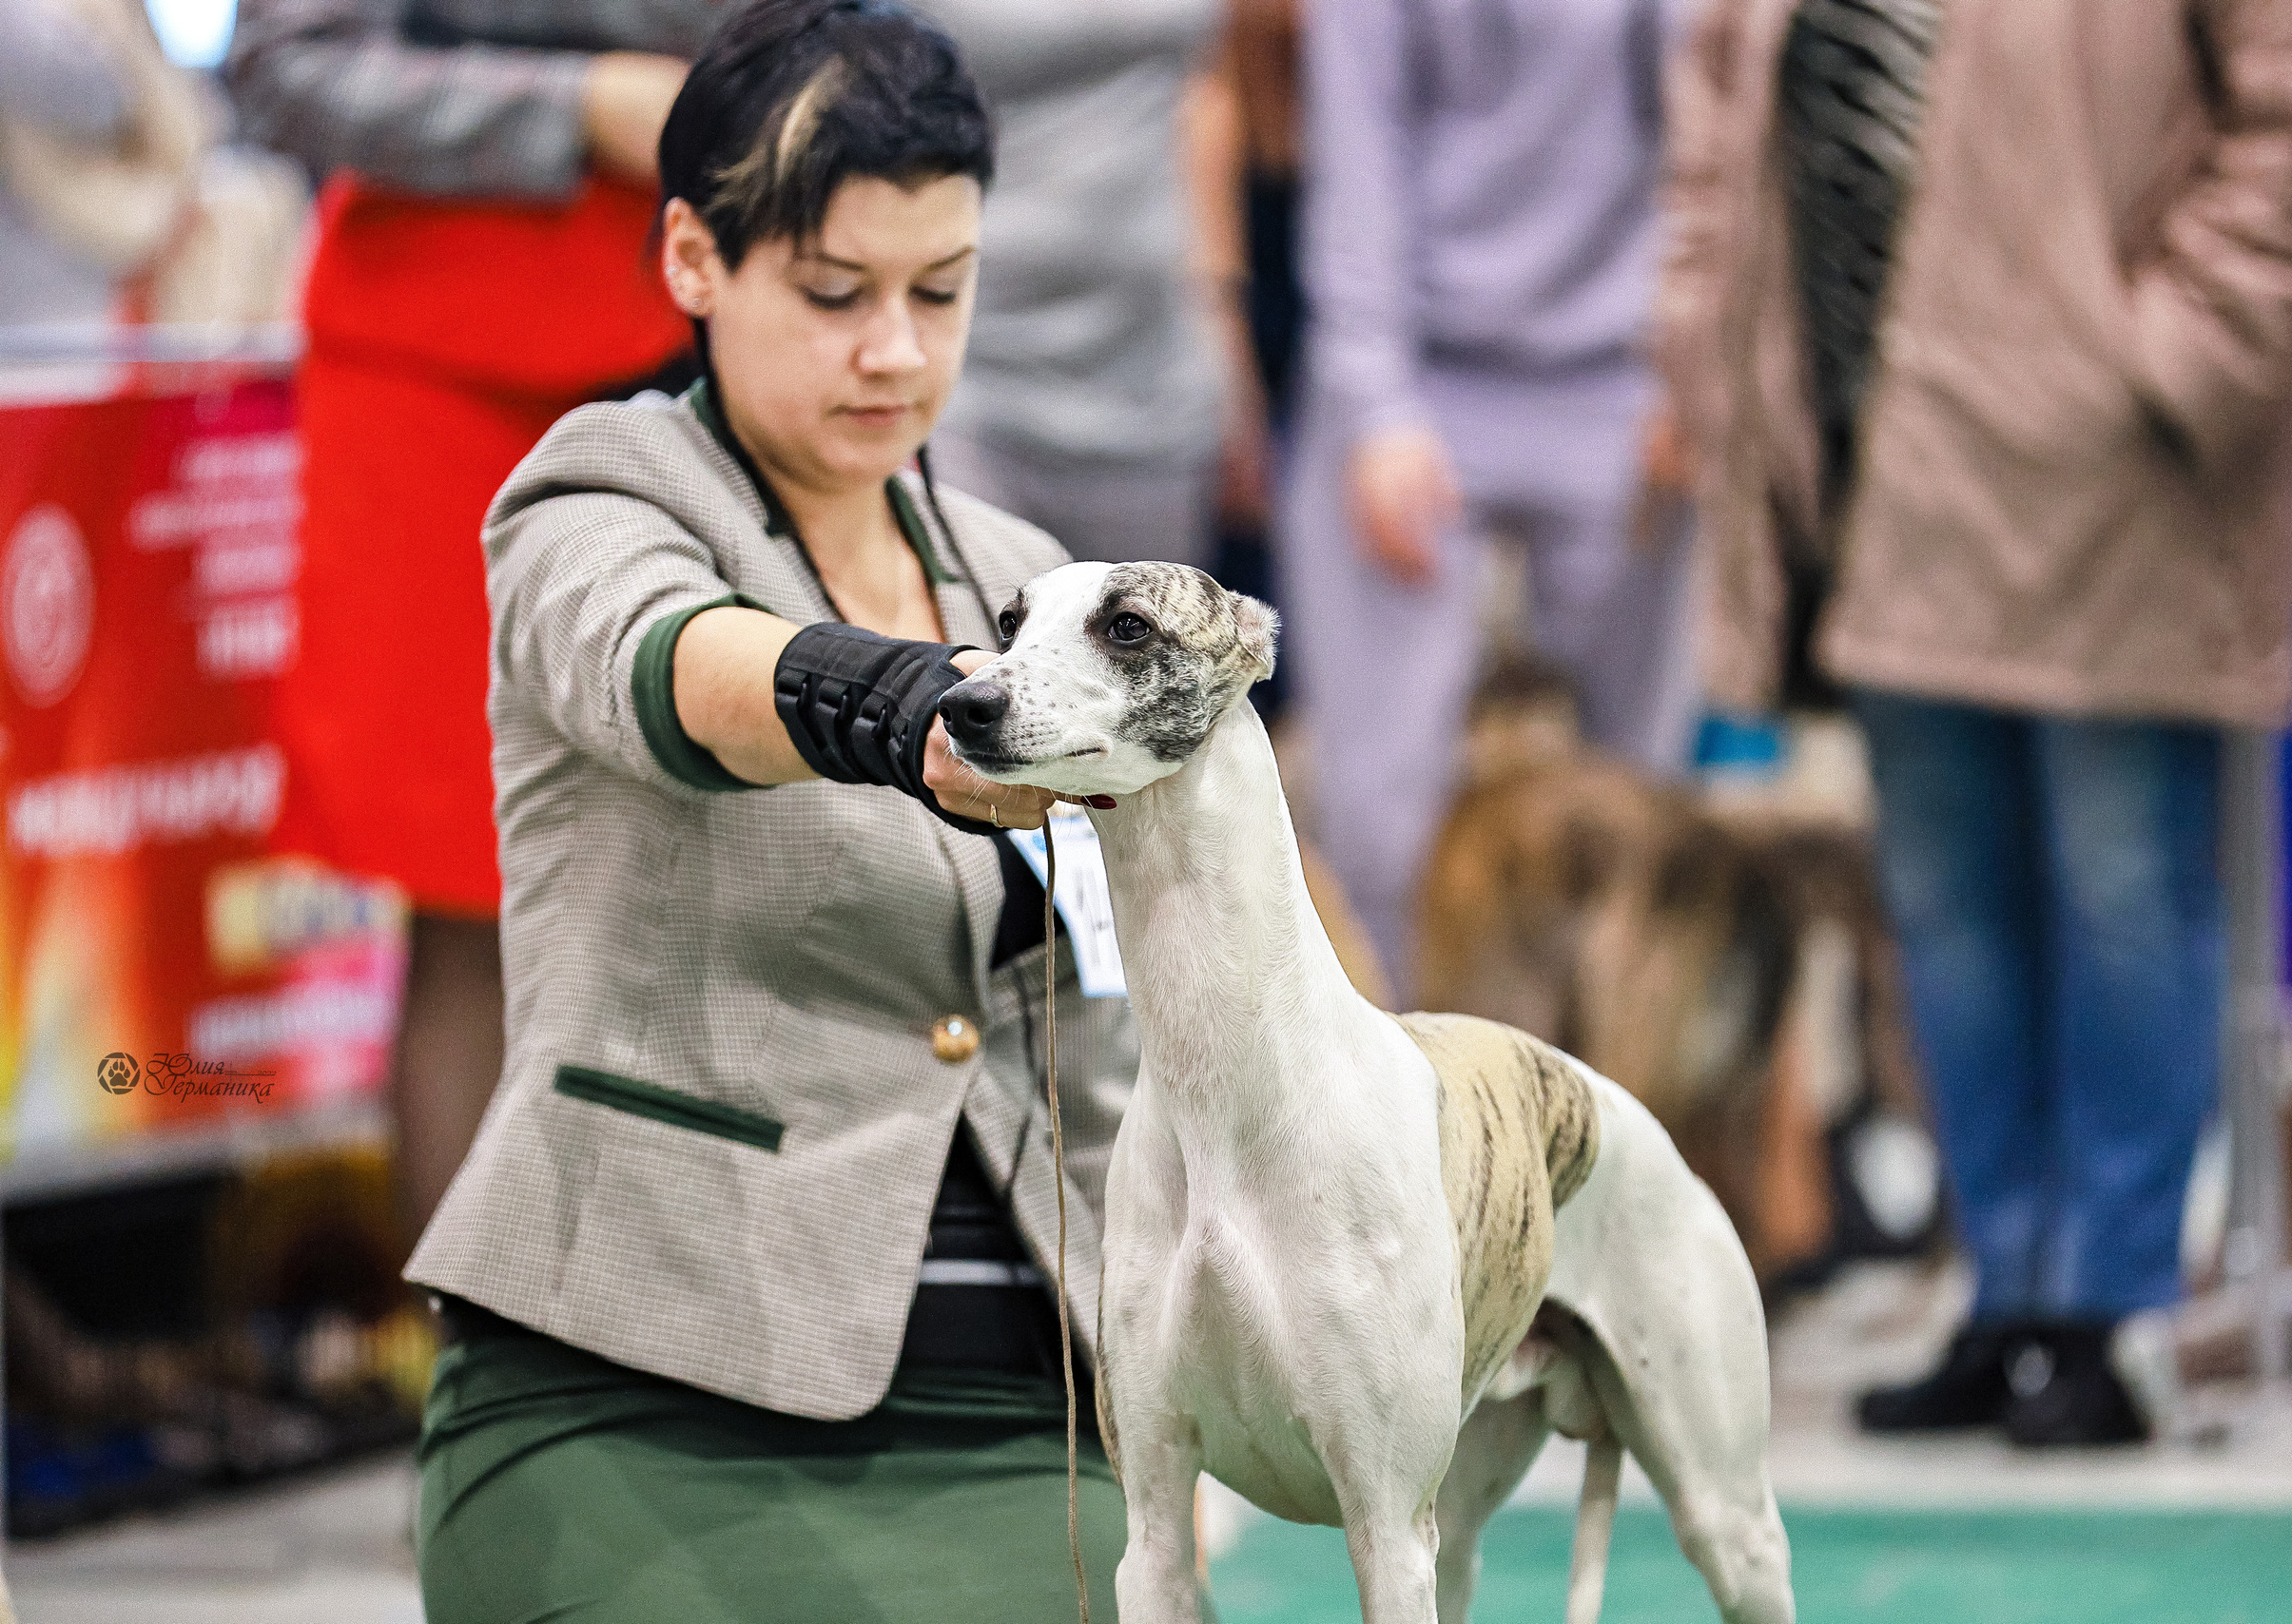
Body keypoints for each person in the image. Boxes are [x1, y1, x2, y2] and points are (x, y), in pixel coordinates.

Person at [398, 4, 1139, 1616]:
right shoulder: (597, 492)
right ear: (692, 258)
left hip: (1030, 1417)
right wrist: (896, 707)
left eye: (940, 291)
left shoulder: (1028, 580)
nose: (896, 351)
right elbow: (665, 663)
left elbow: (1112, 1042)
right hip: (622, 1392)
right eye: (833, 292)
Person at [1660, 0, 2292, 1444]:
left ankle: (2108, 1309)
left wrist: (2169, 349)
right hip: (1867, 460)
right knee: (1945, 900)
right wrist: (1702, 344)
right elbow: (1722, 101)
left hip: (2116, 468)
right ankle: (2005, 1294)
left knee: (2122, 882)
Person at [227, 0, 714, 1247]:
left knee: (732, 878)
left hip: (717, 324)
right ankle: (480, 1351)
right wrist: (581, 106)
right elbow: (284, 66)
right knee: (477, 905)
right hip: (442, 358)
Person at [1282, 0, 1702, 994]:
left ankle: (1609, 1072)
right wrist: (1374, 405)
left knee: (1639, 804)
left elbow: (1712, 130)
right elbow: (1356, 152)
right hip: (1421, 372)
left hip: (1623, 375)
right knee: (1381, 821)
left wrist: (1692, 363)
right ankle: (1395, 1063)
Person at [909, 0, 1266, 573]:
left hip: (1150, 374)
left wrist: (1224, 336)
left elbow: (1202, 87)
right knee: (972, 626)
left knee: (1148, 629)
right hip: (968, 371)